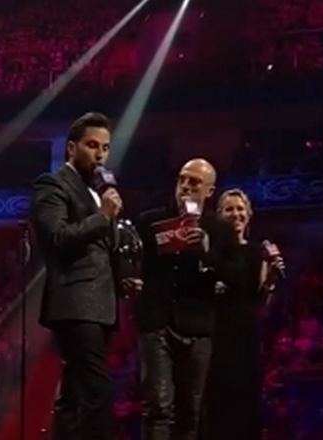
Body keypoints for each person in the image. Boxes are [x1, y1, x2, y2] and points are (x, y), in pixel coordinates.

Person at [30, 112, 141, 440]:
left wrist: (122, 278)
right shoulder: (52, 185)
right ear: (71, 148)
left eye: (105, 148)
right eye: (92, 146)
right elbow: (57, 237)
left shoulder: (96, 192)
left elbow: (102, 250)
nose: (100, 155)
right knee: (96, 388)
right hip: (75, 302)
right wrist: (103, 216)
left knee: (75, 394)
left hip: (101, 304)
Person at [134, 158, 239, 440]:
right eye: (182, 179)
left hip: (197, 326)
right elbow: (132, 263)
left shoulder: (220, 230)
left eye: (195, 182)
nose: (185, 186)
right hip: (158, 323)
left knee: (190, 412)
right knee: (158, 407)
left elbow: (233, 275)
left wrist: (205, 252)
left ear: (210, 191)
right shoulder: (149, 221)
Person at [201, 188, 284, 440]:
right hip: (213, 334)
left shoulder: (258, 252)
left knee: (244, 402)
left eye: (240, 209)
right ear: (220, 215)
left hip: (244, 336)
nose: (235, 214)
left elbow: (260, 301)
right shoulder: (209, 250)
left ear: (248, 214)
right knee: (215, 402)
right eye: (229, 209)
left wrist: (272, 279)